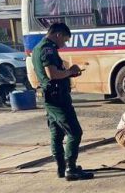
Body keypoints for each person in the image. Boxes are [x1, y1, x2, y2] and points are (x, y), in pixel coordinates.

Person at [31, 22, 93, 180]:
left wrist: (69, 74)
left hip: (51, 97)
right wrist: (70, 71)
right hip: (58, 98)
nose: (64, 44)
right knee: (75, 132)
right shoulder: (48, 48)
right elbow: (52, 74)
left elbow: (54, 73)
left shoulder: (38, 47)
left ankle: (61, 168)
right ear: (57, 34)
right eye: (64, 40)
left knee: (57, 133)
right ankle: (71, 169)